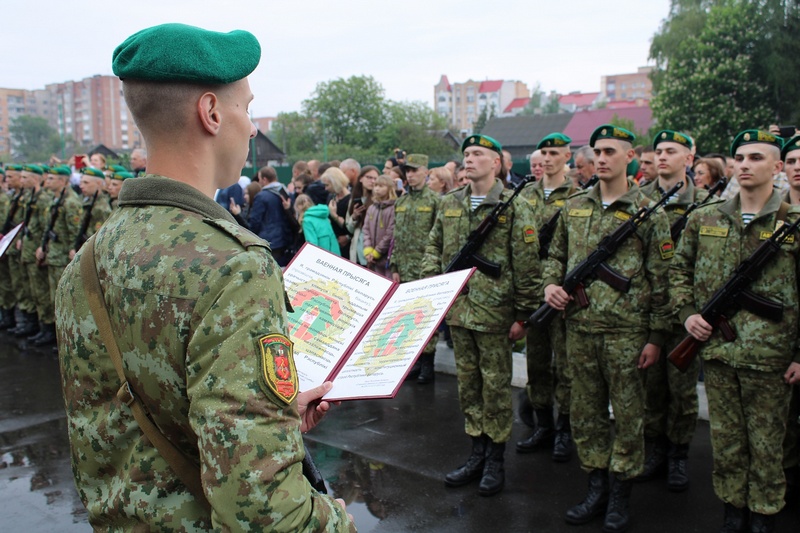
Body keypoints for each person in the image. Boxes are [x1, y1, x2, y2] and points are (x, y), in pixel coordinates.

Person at [55, 23, 354, 531]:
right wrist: (334, 518)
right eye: (247, 107)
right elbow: (267, 516)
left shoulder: (86, 261)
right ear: (212, 113)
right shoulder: (235, 267)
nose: (253, 128)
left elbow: (128, 426)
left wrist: (271, 419)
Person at [543, 124, 671, 531]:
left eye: (610, 151)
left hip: (627, 334)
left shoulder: (649, 212)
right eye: (597, 151)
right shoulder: (575, 206)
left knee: (629, 416)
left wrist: (655, 338)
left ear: (629, 156)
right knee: (586, 413)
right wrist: (550, 285)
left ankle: (620, 493)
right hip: (579, 330)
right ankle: (595, 485)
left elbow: (662, 280)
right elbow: (554, 257)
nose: (601, 158)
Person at [671, 129, 800, 532]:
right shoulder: (705, 217)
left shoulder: (792, 224)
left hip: (771, 359)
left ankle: (763, 515)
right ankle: (732, 511)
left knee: (767, 446)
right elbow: (679, 272)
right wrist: (688, 313)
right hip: (719, 353)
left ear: (777, 167)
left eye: (757, 158)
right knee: (726, 443)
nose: (745, 165)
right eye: (740, 158)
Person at [421, 134, 540, 497]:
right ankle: (477, 451)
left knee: (495, 389)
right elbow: (434, 246)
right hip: (459, 311)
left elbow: (527, 263)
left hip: (495, 314)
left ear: (496, 163)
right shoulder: (449, 203)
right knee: (468, 387)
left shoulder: (514, 206)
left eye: (478, 154)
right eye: (466, 154)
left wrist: (523, 314)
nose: (469, 160)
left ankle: (496, 459)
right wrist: (431, 284)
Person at [637, 130, 706, 493]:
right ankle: (654, 450)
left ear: (689, 158)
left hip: (683, 315)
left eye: (671, 151)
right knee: (650, 387)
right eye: (658, 151)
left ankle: (678, 454)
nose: (662, 157)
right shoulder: (637, 201)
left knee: (681, 389)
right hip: (646, 313)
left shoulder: (705, 204)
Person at [517, 133, 576, 462]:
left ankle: (564, 429)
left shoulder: (579, 196)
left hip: (562, 292)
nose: (549, 158)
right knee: (536, 362)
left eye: (556, 153)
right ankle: (542, 425)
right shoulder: (525, 194)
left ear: (567, 155)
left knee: (565, 366)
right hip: (533, 292)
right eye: (545, 153)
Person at [390, 154, 441, 383]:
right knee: (411, 317)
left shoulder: (435, 201)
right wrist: (395, 266)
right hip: (405, 268)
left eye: (414, 170)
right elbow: (397, 237)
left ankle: (428, 363)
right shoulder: (401, 202)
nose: (409, 175)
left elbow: (439, 237)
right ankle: (416, 361)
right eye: (407, 171)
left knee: (428, 316)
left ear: (425, 172)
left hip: (425, 267)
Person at [35, 165, 82, 347]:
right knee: (50, 296)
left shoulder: (70, 202)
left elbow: (75, 232)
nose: (48, 181)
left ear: (63, 181)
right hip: (53, 255)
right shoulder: (56, 200)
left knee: (64, 299)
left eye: (52, 179)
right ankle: (51, 332)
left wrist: (73, 251)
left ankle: (66, 338)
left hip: (64, 258)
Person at [249, 166, 294, 266]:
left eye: (260, 179)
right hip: (284, 239)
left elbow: (255, 221)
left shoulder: (261, 196)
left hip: (268, 240)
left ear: (264, 179)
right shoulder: (286, 192)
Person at [362, 174, 396, 277]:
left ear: (389, 188)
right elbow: (366, 229)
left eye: (381, 186)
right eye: (376, 185)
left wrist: (377, 251)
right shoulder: (372, 207)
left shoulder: (393, 208)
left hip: (387, 258)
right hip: (372, 258)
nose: (377, 189)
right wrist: (368, 249)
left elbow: (390, 233)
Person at [346, 166, 378, 265]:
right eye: (369, 177)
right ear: (361, 178)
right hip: (357, 251)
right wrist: (354, 217)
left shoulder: (379, 201)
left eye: (375, 179)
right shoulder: (354, 200)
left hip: (373, 252)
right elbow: (350, 229)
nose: (372, 181)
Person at [319, 167, 351, 257]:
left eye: (327, 185)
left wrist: (334, 215)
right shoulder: (331, 197)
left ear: (335, 183)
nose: (325, 189)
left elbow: (351, 226)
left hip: (345, 246)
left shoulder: (349, 200)